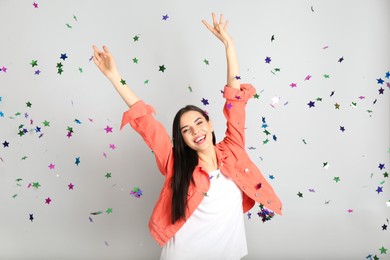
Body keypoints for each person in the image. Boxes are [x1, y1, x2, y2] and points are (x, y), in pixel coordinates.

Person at [93, 13, 282, 260]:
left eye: (198, 122)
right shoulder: (176, 163)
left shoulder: (233, 150)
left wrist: (229, 46)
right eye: (186, 130)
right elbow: (146, 123)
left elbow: (235, 101)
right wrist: (114, 77)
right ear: (182, 139)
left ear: (210, 124)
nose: (195, 132)